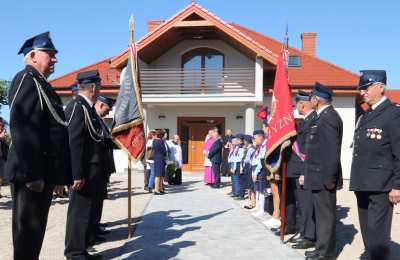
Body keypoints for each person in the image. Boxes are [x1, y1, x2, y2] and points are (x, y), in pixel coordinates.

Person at [6, 32, 71, 260]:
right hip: (31, 176)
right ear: (33, 55)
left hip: (42, 173)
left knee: (34, 239)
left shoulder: (42, 84)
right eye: (50, 54)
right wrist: (33, 174)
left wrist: (57, 175)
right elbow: (23, 127)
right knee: (27, 240)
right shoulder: (26, 79)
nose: (55, 60)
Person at [350, 70, 400, 260]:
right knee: (368, 233)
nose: (362, 92)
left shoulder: (393, 113)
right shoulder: (365, 115)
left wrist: (397, 185)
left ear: (381, 87)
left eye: (366, 87)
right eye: (361, 88)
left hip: (382, 185)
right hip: (362, 183)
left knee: (378, 235)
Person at [64, 70, 104, 260]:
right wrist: (76, 174)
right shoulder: (77, 107)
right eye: (100, 86)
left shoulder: (86, 108)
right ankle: (74, 254)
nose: (100, 90)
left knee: (85, 213)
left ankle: (81, 250)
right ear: (94, 88)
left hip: (91, 169)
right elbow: (74, 142)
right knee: (78, 213)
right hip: (83, 171)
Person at [304, 82, 343, 260]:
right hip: (318, 176)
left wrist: (329, 179)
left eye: (311, 97)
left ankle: (326, 253)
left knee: (325, 217)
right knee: (321, 217)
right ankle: (321, 248)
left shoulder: (329, 118)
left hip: (324, 177)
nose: (309, 101)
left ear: (317, 99)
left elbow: (331, 152)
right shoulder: (322, 117)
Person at [287, 92, 317, 249]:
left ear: (302, 104)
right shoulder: (306, 121)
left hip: (304, 170)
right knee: (302, 206)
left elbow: (308, 149)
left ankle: (309, 236)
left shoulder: (314, 120)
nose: (296, 107)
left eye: (297, 104)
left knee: (306, 206)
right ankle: (304, 231)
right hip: (298, 169)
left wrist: (304, 172)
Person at [88, 95, 116, 246]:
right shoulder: (92, 118)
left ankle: (95, 227)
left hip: (103, 168)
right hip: (95, 168)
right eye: (108, 108)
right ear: (100, 105)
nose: (108, 111)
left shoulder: (101, 121)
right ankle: (90, 233)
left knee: (99, 201)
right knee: (92, 203)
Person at [250, 130, 268, 218]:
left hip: (261, 169)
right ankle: (258, 207)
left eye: (255, 138)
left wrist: (256, 172)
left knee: (262, 190)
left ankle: (262, 209)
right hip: (257, 169)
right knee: (257, 189)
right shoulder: (259, 146)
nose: (254, 140)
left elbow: (261, 161)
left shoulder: (264, 145)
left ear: (260, 137)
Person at [228, 134, 245, 199]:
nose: (236, 141)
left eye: (237, 140)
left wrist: (236, 167)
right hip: (234, 163)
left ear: (241, 141)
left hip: (238, 164)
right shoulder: (236, 147)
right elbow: (234, 157)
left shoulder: (241, 148)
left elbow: (239, 158)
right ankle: (235, 192)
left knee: (238, 180)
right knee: (234, 179)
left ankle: (239, 194)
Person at [242, 135, 256, 209]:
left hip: (250, 166)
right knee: (249, 185)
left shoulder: (251, 148)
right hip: (248, 166)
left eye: (245, 140)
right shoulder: (249, 148)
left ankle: (252, 202)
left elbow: (248, 159)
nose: (244, 141)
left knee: (251, 185)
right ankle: (250, 200)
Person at [152, 129, 167, 195]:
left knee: (159, 174)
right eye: (164, 134)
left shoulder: (154, 141)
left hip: (156, 158)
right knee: (159, 175)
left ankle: (160, 188)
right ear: (161, 135)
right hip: (160, 158)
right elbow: (164, 151)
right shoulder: (161, 141)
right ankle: (156, 190)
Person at [0, 119, 8, 199]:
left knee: (1, 176)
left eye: (2, 127)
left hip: (2, 158)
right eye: (0, 126)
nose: (2, 128)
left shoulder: (2, 136)